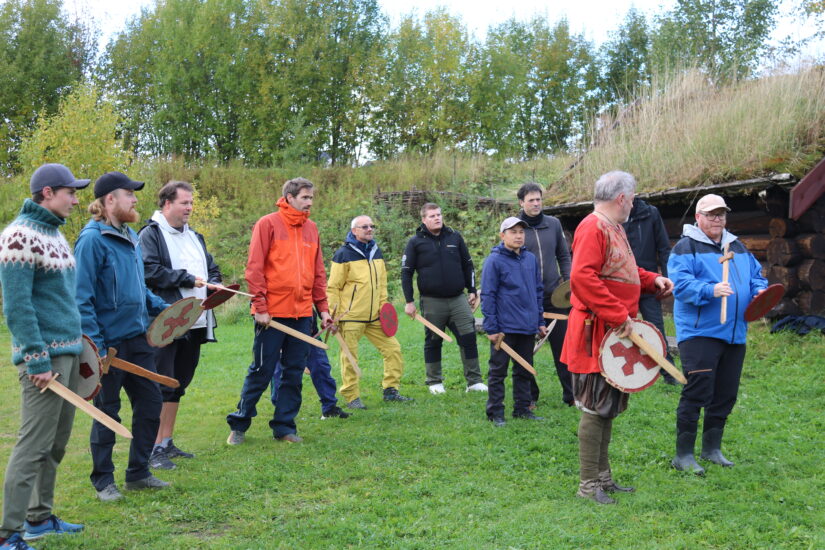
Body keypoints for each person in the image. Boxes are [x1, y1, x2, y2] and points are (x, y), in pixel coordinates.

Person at [561, 171, 673, 504]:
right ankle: (587, 485)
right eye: (633, 197)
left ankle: (603, 478)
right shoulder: (592, 227)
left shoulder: (614, 229)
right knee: (595, 409)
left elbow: (624, 271)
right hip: (595, 332)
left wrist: (653, 280)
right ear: (621, 198)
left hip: (612, 332)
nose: (634, 202)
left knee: (607, 407)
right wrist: (618, 314)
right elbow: (582, 277)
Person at [0, 164, 89, 549]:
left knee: (55, 443)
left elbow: (62, 302)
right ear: (48, 192)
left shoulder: (55, 234)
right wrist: (37, 360)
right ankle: (7, 532)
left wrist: (83, 346)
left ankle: (39, 518)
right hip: (43, 361)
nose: (76, 199)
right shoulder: (19, 236)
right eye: (71, 192)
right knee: (32, 445)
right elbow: (17, 305)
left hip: (68, 354)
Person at [75, 171, 171, 502]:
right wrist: (97, 348)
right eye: (129, 194)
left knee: (151, 402)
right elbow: (81, 299)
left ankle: (139, 472)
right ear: (109, 200)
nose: (134, 199)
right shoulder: (91, 240)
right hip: (107, 346)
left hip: (137, 339)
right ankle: (103, 481)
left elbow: (138, 288)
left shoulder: (129, 235)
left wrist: (167, 309)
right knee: (107, 411)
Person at [225, 178, 332, 445]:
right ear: (290, 197)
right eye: (305, 198)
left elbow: (318, 273)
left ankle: (284, 427)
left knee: (294, 372)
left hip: (301, 314)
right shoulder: (268, 224)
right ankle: (239, 424)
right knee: (261, 370)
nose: (309, 203)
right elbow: (255, 268)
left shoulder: (312, 229)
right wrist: (260, 307)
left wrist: (323, 309)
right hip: (271, 315)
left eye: (311, 198)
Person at [668, 193, 768, 474]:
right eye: (711, 214)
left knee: (726, 393)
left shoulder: (737, 246)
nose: (717, 219)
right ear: (698, 217)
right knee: (697, 391)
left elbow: (757, 275)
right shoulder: (685, 248)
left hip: (735, 333)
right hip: (701, 333)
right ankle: (683, 455)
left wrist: (760, 289)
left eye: (721, 214)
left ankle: (712, 448)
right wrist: (709, 290)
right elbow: (681, 285)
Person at [138, 181, 222, 470]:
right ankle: (151, 448)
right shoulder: (151, 234)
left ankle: (167, 442)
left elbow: (211, 268)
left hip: (196, 321)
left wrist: (217, 285)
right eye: (184, 203)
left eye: (191, 203)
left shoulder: (195, 236)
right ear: (167, 203)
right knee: (161, 383)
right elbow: (149, 271)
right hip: (167, 320)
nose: (189, 208)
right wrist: (186, 279)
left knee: (178, 384)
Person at [401, 203, 486, 394]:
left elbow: (468, 265)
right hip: (432, 301)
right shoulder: (415, 242)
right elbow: (406, 273)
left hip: (458, 299)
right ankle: (434, 382)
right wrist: (409, 301)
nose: (437, 218)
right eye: (432, 216)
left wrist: (472, 290)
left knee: (468, 337)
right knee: (433, 340)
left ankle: (474, 382)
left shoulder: (455, 237)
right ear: (423, 219)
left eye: (439, 214)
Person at [327, 215, 411, 409]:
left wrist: (384, 308)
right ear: (354, 230)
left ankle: (391, 390)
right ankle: (351, 396)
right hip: (351, 318)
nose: (369, 229)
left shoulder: (376, 251)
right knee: (349, 358)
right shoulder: (343, 254)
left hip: (375, 317)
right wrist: (334, 315)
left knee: (393, 349)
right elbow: (333, 288)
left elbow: (381, 285)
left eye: (372, 226)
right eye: (364, 226)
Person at [480, 217, 547, 427]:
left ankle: (522, 409)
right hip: (504, 328)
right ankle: (495, 412)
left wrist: (539, 320)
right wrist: (491, 327)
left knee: (524, 370)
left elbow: (537, 291)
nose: (518, 235)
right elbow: (488, 295)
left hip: (527, 325)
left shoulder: (530, 259)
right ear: (503, 236)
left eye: (521, 232)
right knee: (498, 371)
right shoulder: (494, 261)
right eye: (513, 232)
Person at [517, 183, 574, 406]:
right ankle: (530, 396)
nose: (536, 203)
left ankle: (571, 395)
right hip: (527, 300)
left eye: (539, 199)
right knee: (525, 349)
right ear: (521, 202)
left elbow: (563, 254)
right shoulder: (517, 228)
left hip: (555, 297)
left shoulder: (553, 224)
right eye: (531, 200)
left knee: (564, 348)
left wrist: (567, 278)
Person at [622, 197, 678, 385]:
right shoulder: (615, 214)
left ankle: (668, 372)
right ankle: (621, 372)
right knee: (619, 328)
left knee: (656, 329)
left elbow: (663, 248)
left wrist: (668, 278)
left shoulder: (650, 213)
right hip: (622, 284)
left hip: (648, 284)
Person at [270, 310, 350, 420]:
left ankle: (330, 409)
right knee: (281, 375)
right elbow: (257, 306)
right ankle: (282, 414)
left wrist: (325, 314)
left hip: (310, 335)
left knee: (321, 367)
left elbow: (319, 298)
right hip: (281, 336)